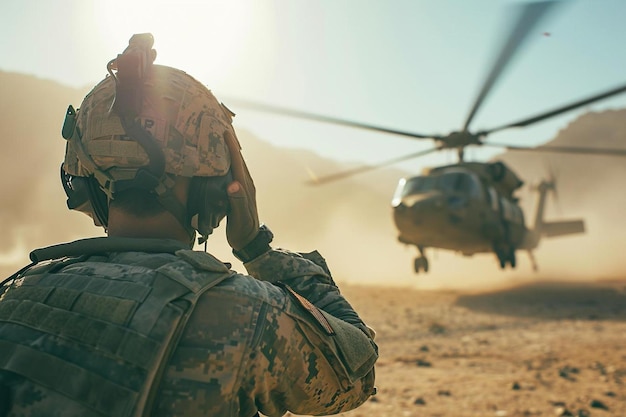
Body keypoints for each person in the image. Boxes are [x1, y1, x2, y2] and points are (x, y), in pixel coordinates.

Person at [0, 34, 377, 417]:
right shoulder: (248, 314)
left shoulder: (15, 298)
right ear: (215, 193)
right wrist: (255, 248)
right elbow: (355, 371)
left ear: (88, 191)